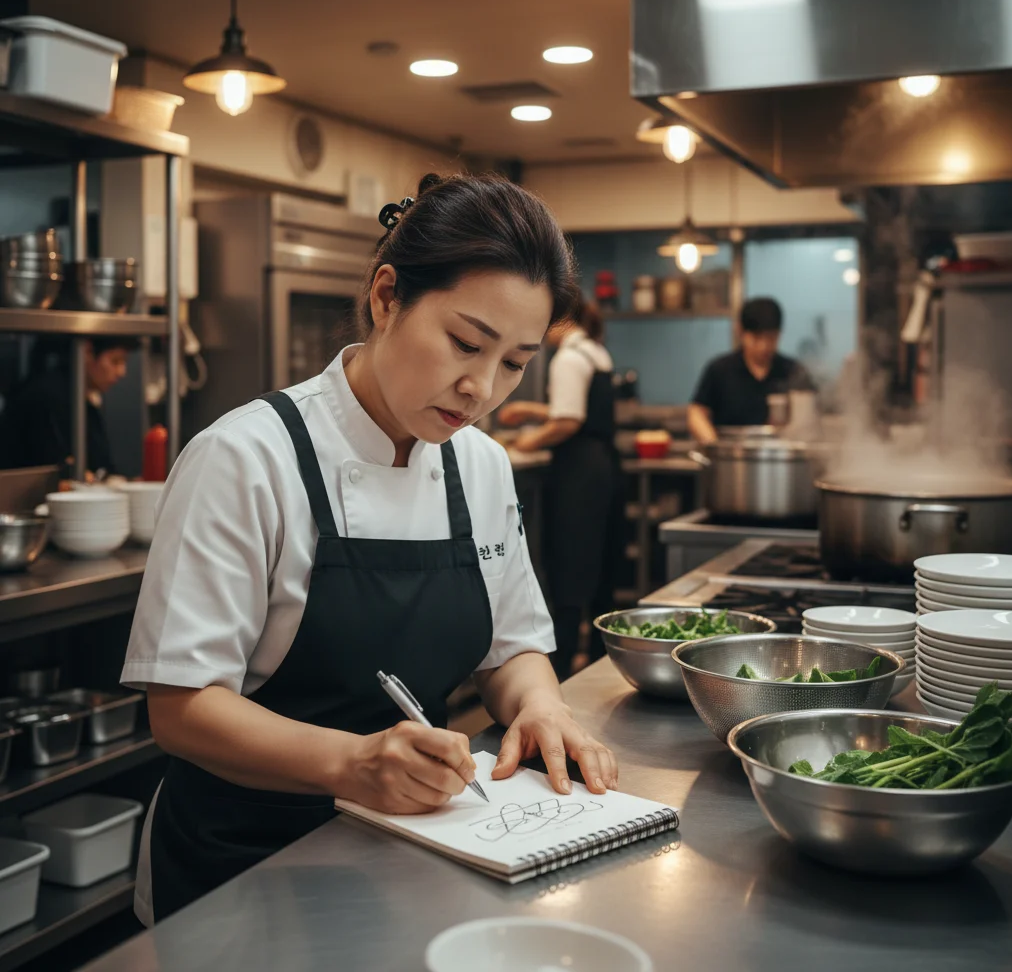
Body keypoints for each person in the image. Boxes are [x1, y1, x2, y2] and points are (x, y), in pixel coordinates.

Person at [120, 174, 618, 926]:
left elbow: (511, 648)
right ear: (387, 297)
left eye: (515, 362)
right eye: (465, 342)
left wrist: (543, 706)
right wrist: (350, 764)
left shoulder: (478, 464)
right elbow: (183, 709)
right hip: (239, 871)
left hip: (411, 860)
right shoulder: (246, 458)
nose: (481, 387)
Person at [498, 301, 623, 680]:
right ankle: (603, 664)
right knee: (599, 568)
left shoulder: (568, 357)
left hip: (578, 473)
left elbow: (568, 421)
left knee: (570, 567)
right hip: (606, 466)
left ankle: (563, 669)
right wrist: (534, 412)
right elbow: (575, 409)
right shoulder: (595, 350)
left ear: (562, 321)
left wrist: (524, 444)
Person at [687, 297, 815, 442]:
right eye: (756, 338)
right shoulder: (720, 370)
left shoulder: (793, 371)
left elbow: (810, 419)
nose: (764, 346)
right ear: (740, 331)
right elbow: (697, 413)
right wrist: (713, 445)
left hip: (780, 456)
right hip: (730, 456)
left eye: (771, 338)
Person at [0, 336, 131, 476]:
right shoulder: (48, 396)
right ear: (87, 352)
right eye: (115, 361)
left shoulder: (82, 398)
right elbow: (55, 470)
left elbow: (102, 464)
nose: (122, 372)